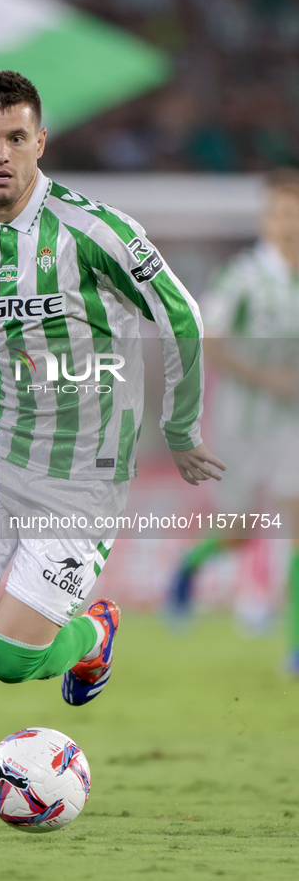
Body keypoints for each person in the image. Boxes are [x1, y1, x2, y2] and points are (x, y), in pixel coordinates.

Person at [0, 71, 224, 832]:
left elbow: (181, 315)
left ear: (40, 141)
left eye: (14, 138)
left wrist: (180, 423)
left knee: (7, 660)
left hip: (80, 476)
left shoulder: (91, 230)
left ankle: (90, 635)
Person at [166, 169, 299, 660]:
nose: (292, 224)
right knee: (239, 534)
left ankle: (296, 647)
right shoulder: (243, 277)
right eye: (283, 213)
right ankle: (189, 567)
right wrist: (270, 380)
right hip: (242, 422)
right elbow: (212, 342)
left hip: (292, 424)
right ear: (268, 219)